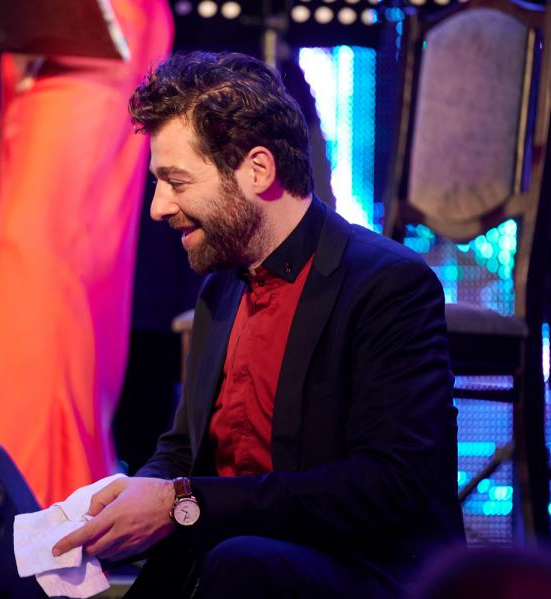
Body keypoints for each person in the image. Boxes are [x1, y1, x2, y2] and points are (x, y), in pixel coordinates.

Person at [52, 52, 465, 597]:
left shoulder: (388, 285)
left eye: (176, 181)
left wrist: (182, 503)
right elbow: (182, 451)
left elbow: (387, 485)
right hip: (236, 559)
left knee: (239, 563)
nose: (158, 207)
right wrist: (136, 496)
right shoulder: (220, 290)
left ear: (258, 171)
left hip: (359, 568)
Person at [0, 0, 173, 507]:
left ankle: (45, 494)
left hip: (87, 35)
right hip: (40, 36)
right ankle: (29, 488)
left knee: (45, 259)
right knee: (33, 263)